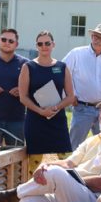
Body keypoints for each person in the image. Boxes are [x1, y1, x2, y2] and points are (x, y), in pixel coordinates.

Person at [19, 30, 76, 171]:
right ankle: (32, 192)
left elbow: (71, 96)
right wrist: (40, 111)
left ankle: (67, 190)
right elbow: (23, 97)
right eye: (40, 44)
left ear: (53, 45)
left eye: (47, 43)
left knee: (67, 161)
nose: (44, 46)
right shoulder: (28, 67)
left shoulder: (62, 67)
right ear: (36, 46)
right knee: (34, 164)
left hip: (57, 120)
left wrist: (56, 108)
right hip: (35, 120)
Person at [64, 23, 101, 149]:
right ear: (92, 36)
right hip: (82, 107)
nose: (97, 40)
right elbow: (63, 73)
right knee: (74, 146)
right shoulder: (77, 53)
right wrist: (71, 95)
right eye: (95, 36)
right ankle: (70, 168)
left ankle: (100, 169)